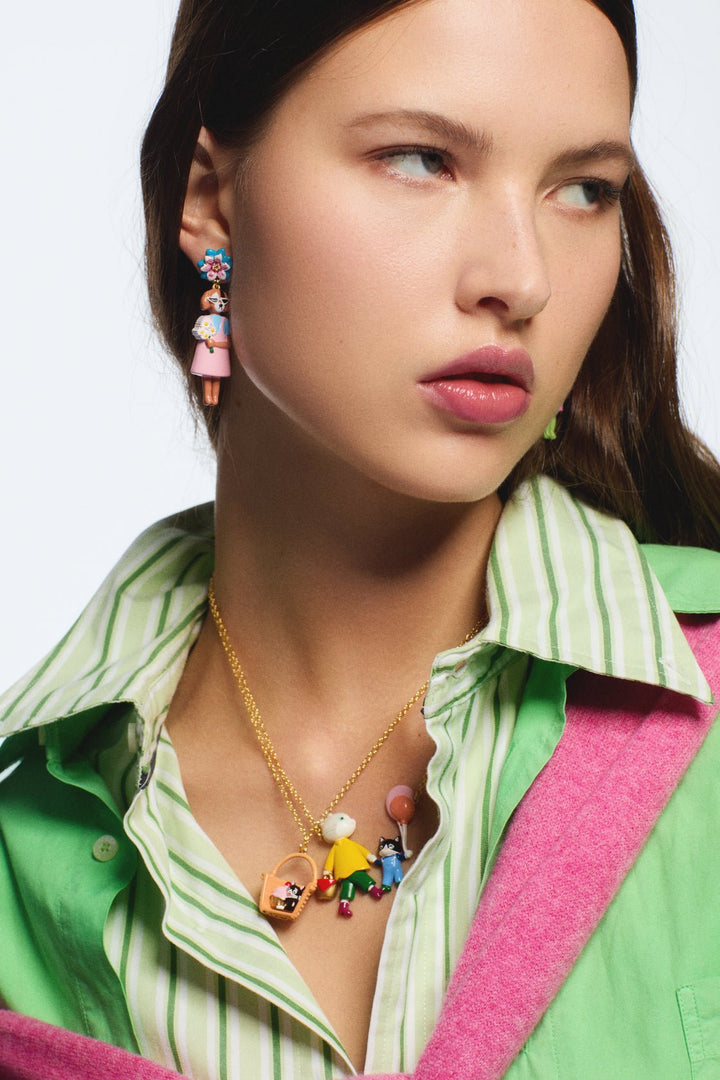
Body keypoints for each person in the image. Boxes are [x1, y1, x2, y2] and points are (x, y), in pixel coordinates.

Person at [1, 1, 720, 1078]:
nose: (520, 279)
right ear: (210, 200)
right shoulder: (25, 835)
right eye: (421, 159)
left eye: (583, 189)